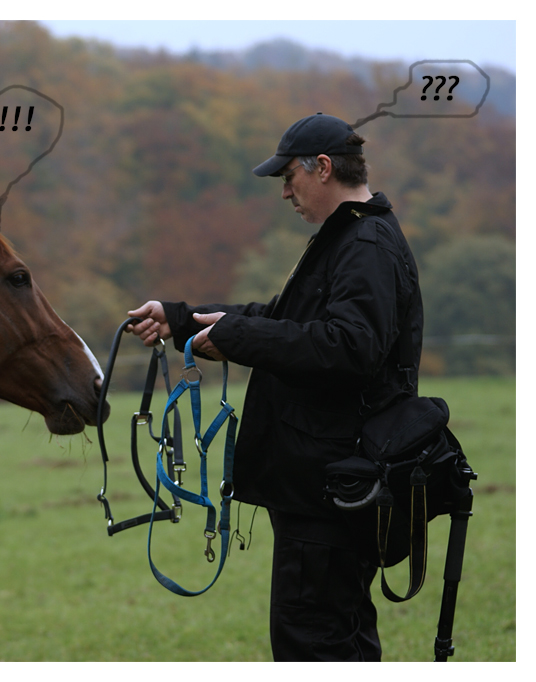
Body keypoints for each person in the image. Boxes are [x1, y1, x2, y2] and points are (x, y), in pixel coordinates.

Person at [126, 113, 422, 661]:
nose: (285, 191)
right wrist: (183, 320)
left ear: (324, 167)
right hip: (326, 486)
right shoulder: (347, 238)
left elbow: (349, 348)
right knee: (338, 640)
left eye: (289, 177)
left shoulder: (365, 244)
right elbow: (283, 320)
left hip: (330, 491)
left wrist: (241, 337)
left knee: (313, 646)